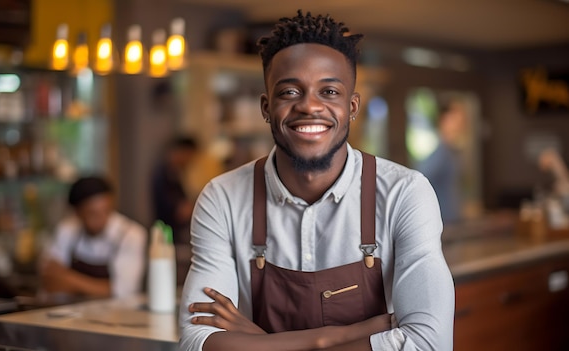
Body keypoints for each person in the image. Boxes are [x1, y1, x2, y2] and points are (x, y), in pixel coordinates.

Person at [179, 10, 454, 351]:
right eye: (290, 92)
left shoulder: (405, 194)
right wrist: (334, 337)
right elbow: (196, 342)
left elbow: (430, 344)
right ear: (266, 107)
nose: (309, 106)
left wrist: (263, 342)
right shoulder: (222, 198)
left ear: (352, 107)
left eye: (329, 92)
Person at [40, 176, 147, 299]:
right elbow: (50, 278)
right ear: (77, 213)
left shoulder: (131, 235)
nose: (102, 220)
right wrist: (100, 287)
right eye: (93, 214)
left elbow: (124, 291)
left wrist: (70, 280)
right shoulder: (67, 230)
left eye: (107, 211)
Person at [416, 99, 469, 224]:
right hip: (443, 223)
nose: (460, 124)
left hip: (452, 220)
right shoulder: (440, 153)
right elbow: (418, 181)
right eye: (455, 119)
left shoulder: (451, 152)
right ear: (444, 120)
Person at [150, 136, 199, 245]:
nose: (190, 161)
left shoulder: (175, 174)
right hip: (167, 235)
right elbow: (178, 211)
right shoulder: (163, 175)